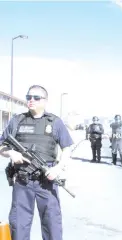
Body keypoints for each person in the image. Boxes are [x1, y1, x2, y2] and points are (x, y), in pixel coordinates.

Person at [0, 85, 74, 240]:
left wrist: (58, 169)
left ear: (45, 101)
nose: (31, 100)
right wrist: (11, 153)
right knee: (18, 227)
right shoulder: (17, 121)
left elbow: (67, 149)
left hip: (46, 181)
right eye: (28, 97)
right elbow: (1, 146)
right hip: (22, 181)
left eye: (36, 97)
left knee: (52, 226)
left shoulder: (55, 122)